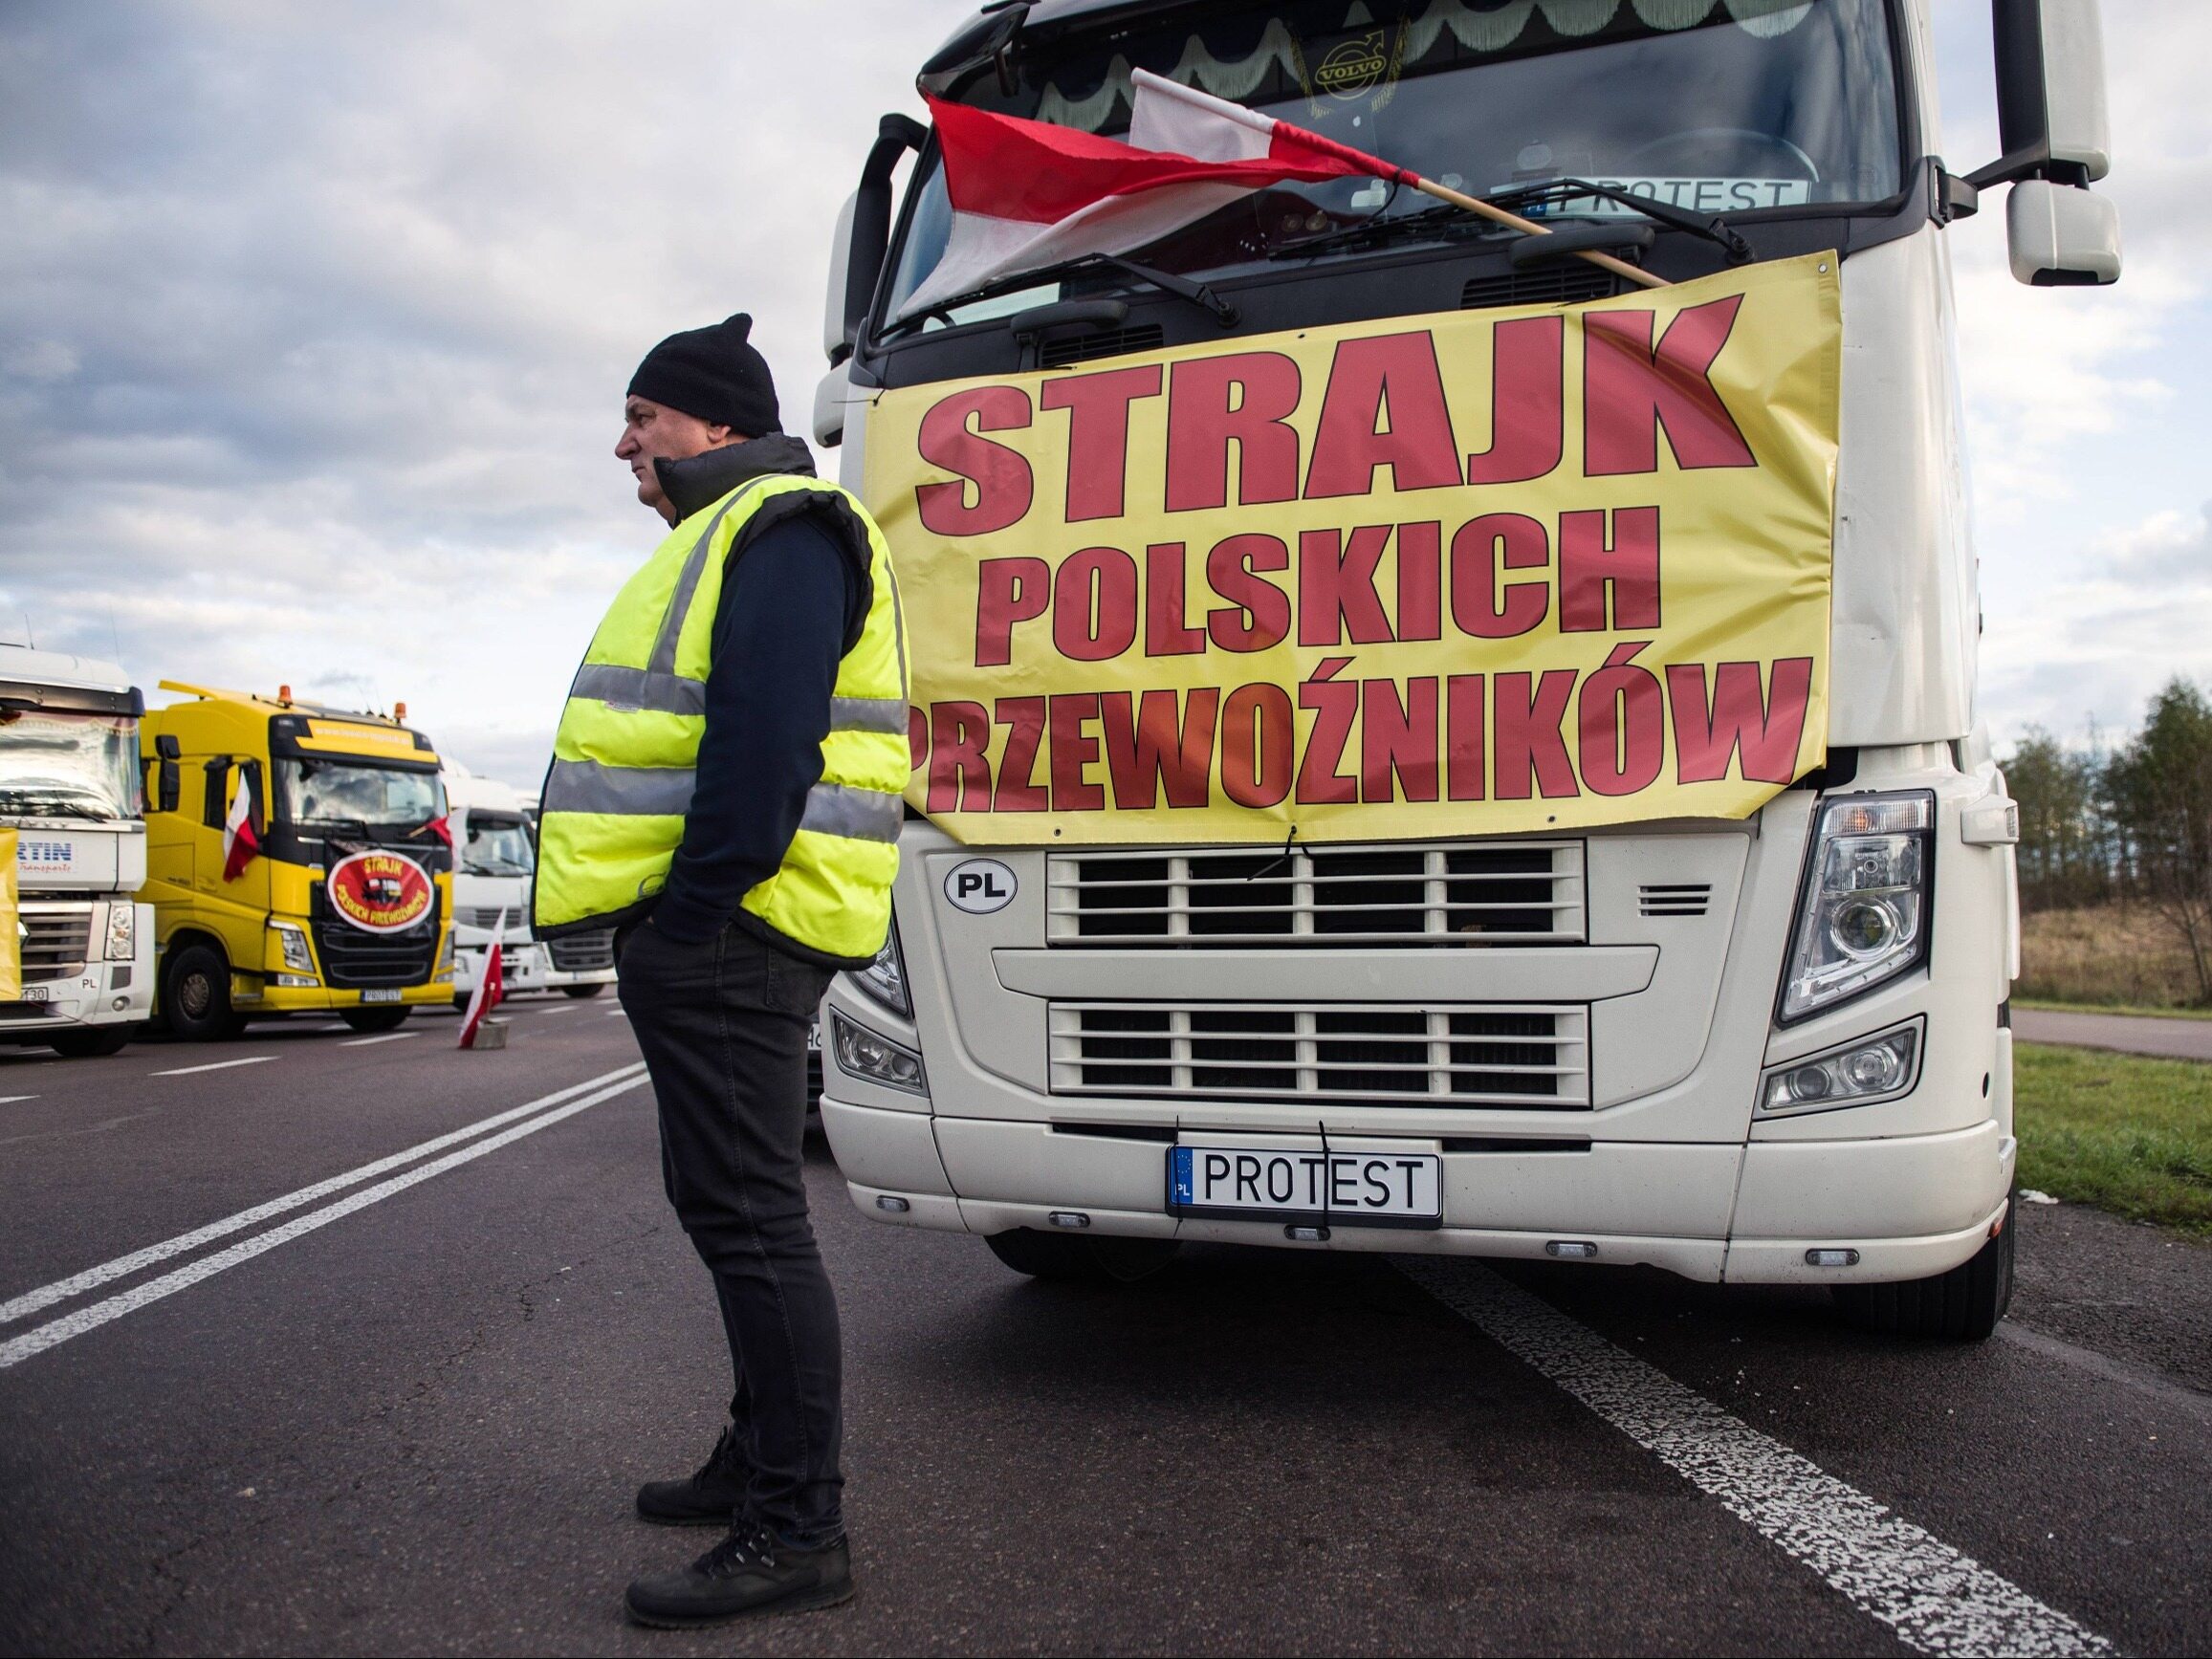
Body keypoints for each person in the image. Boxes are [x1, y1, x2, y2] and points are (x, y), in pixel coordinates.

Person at [532, 313, 907, 1627]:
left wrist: (687, 922)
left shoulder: (783, 526)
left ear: (721, 427)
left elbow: (764, 748)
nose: (623, 442)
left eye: (644, 417)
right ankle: (759, 1457)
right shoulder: (736, 532)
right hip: (729, 933)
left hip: (740, 936)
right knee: (723, 1206)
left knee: (751, 1220)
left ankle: (797, 1527)